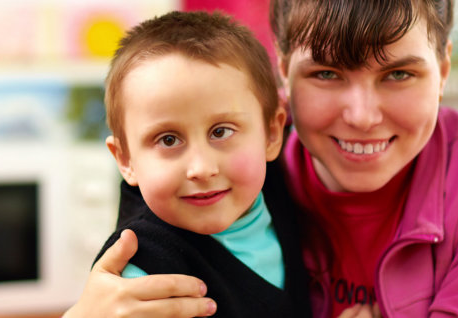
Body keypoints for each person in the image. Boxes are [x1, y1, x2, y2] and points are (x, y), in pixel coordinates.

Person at [68, 0, 458, 316]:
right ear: (283, 73)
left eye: (399, 74)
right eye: (327, 75)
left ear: (442, 70)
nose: (361, 116)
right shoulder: (237, 184)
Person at [89, 11, 307, 318]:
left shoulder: (279, 187)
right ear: (126, 160)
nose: (202, 168)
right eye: (168, 140)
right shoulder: (143, 276)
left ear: (272, 134)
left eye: (221, 132)